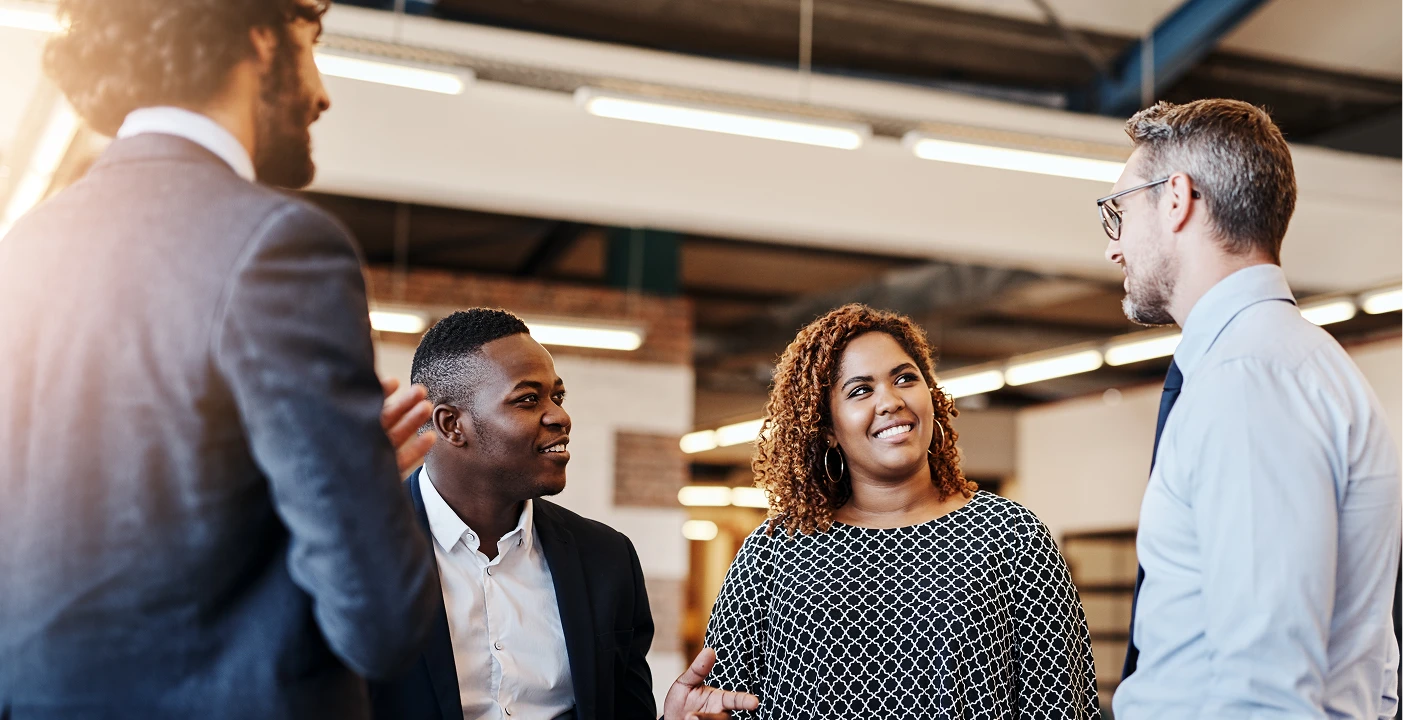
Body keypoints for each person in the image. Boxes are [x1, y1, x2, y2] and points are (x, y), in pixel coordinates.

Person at [0, 1, 443, 718]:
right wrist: (362, 491)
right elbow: (382, 622)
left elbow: (122, 532)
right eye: (312, 42)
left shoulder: (24, 246)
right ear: (263, 40)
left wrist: (323, 479)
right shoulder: (278, 242)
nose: (323, 92)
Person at [1103, 99, 1402, 719]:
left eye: (1119, 211)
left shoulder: (1249, 380)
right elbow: (1376, 667)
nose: (1115, 247)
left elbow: (1266, 689)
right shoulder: (1289, 364)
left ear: (1177, 198)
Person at [701, 304, 1099, 719]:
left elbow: (1062, 703)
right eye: (859, 390)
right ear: (827, 429)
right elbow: (720, 706)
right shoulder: (774, 555)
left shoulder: (1010, 537)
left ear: (932, 396)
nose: (890, 401)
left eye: (905, 379)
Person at [369, 309, 758, 720]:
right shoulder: (361, 550)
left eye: (557, 396)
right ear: (451, 425)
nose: (560, 416)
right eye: (527, 399)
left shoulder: (606, 558)